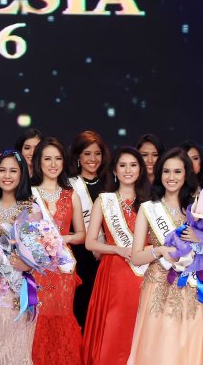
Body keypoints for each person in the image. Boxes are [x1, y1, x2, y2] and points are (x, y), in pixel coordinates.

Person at [127, 148, 203, 364]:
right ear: (159, 174)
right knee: (161, 349)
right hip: (160, 287)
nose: (171, 177)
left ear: (186, 174)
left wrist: (200, 238)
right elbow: (136, 257)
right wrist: (159, 250)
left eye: (177, 171)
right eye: (166, 171)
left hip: (194, 288)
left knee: (192, 347)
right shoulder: (148, 208)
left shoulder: (198, 209)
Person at [82, 147, 149, 364]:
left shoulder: (150, 202)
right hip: (114, 272)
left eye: (133, 165)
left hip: (144, 272)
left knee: (139, 326)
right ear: (114, 170)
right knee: (114, 326)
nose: (128, 170)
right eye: (122, 165)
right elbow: (90, 242)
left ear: (140, 169)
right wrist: (116, 249)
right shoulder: (104, 201)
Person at [0, 149, 38, 364]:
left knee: (18, 352)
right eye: (2, 170)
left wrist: (27, 265)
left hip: (18, 290)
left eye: (13, 171)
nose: (7, 175)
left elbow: (41, 252)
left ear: (22, 174)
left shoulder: (31, 209)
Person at [29, 137, 85, 365]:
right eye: (47, 159)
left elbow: (81, 234)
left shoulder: (71, 195)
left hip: (63, 268)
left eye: (58, 159)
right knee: (37, 318)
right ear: (38, 162)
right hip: (37, 267)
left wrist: (61, 239)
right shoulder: (29, 194)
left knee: (62, 316)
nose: (53, 164)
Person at [67, 130, 110, 329]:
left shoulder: (111, 183)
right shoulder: (70, 186)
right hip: (81, 257)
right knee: (82, 308)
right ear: (78, 156)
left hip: (108, 256)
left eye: (97, 153)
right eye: (87, 153)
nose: (93, 159)